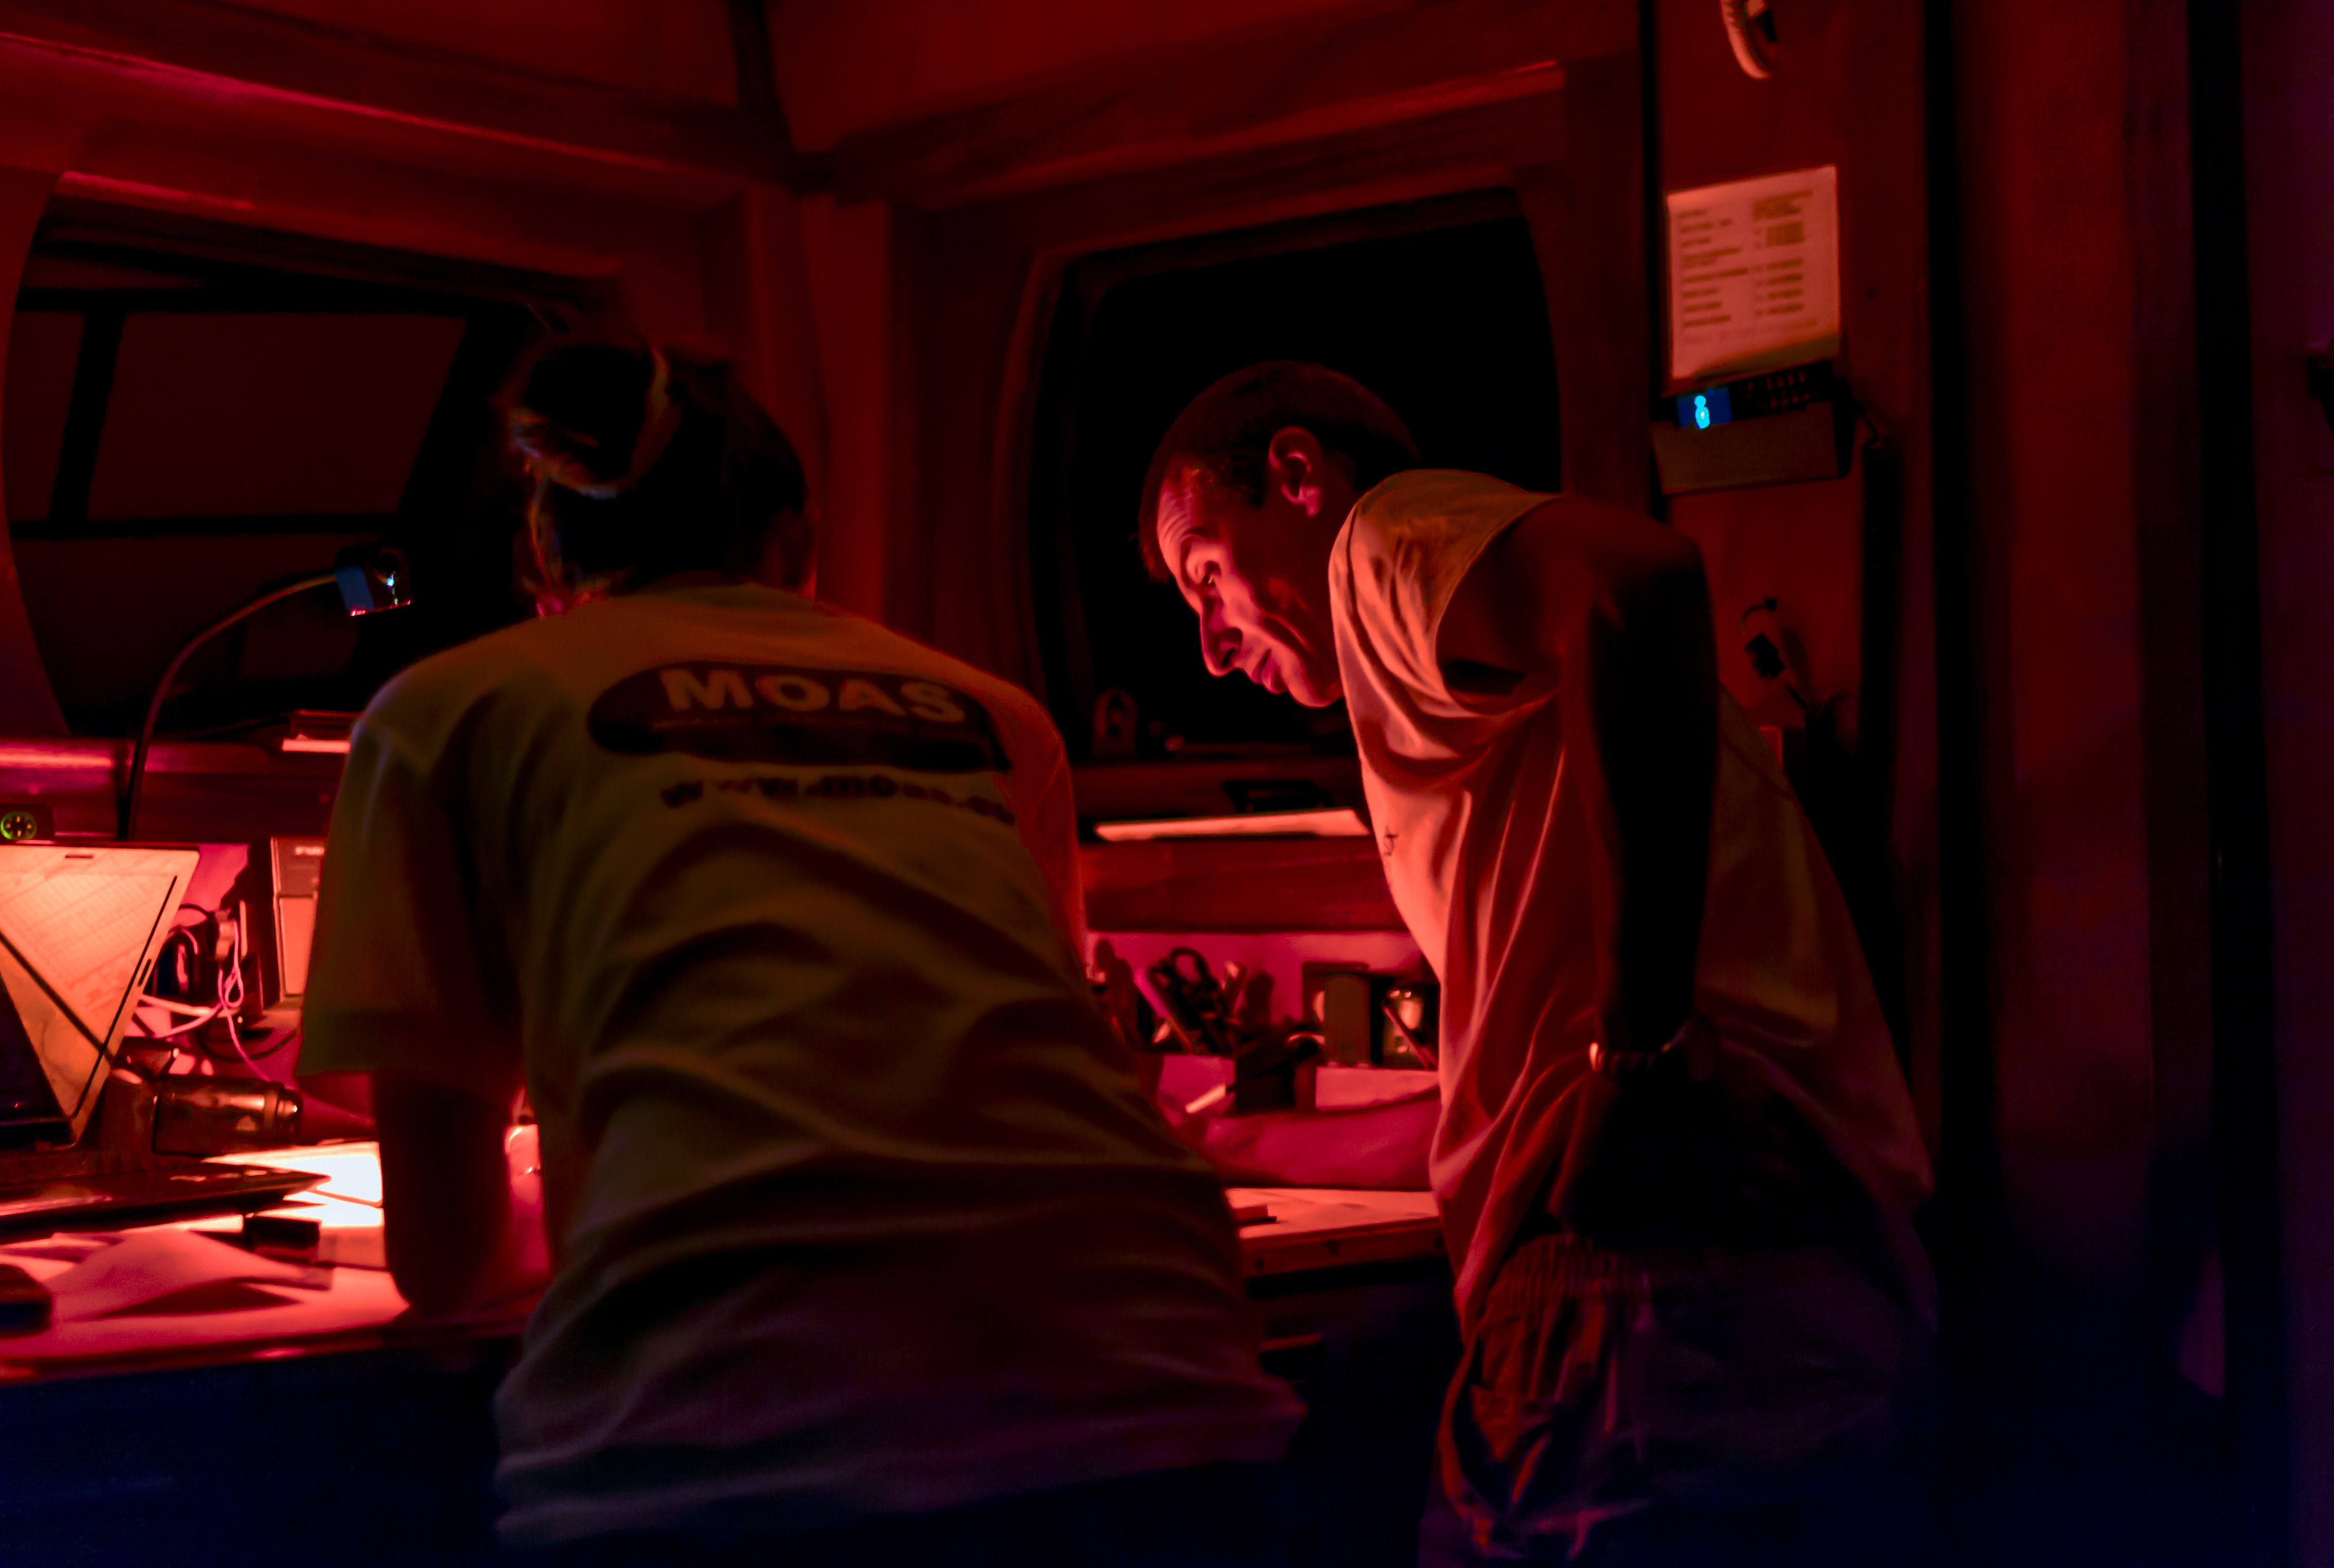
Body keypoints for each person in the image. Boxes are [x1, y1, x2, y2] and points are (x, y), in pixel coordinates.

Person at [297, 332, 1298, 1566]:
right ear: (791, 547)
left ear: (548, 563)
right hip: (1169, 1395)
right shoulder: (1000, 721)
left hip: (736, 1450)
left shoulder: (442, 718)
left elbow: (444, 1262)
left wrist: (619, 1186)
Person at [1140, 362, 1935, 1566]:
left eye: (1207, 572)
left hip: (1640, 1296)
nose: (1208, 647)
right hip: (1807, 1279)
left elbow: (1640, 580)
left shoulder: (1382, 542)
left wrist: (1641, 1055)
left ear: (1297, 477)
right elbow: (1518, 1079)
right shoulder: (1477, 701)